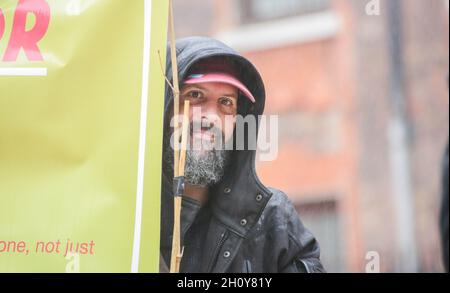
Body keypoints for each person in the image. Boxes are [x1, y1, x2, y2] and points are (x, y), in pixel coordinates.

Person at [160, 36, 325, 273]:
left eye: (226, 103)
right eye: (195, 95)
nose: (211, 118)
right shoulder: (126, 211)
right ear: (165, 106)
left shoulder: (272, 220)